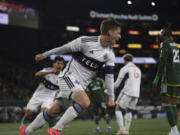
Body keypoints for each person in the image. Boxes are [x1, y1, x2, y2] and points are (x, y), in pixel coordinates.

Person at [22, 18, 121, 135]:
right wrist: (44, 55)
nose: (119, 36)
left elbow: (109, 77)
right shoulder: (85, 41)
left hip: (79, 85)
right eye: (118, 33)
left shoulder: (110, 54)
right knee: (85, 102)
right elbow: (63, 49)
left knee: (53, 112)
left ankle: (27, 131)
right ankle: (56, 130)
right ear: (109, 32)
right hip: (67, 78)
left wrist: (111, 97)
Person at [19, 56, 65, 134]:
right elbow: (37, 74)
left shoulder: (63, 76)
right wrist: (50, 72)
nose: (59, 65)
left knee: (42, 115)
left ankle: (31, 128)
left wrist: (55, 96)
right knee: (29, 113)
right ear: (54, 64)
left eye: (61, 64)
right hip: (38, 95)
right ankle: (23, 124)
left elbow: (60, 88)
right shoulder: (48, 70)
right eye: (58, 63)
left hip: (49, 98)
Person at [153, 27, 180, 135]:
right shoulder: (177, 46)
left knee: (166, 103)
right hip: (177, 78)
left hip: (168, 78)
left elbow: (162, 62)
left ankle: (174, 130)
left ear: (163, 34)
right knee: (173, 104)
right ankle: (174, 130)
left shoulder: (165, 44)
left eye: (160, 35)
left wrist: (157, 77)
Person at [114, 53, 141, 135]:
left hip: (127, 92)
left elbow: (117, 84)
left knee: (118, 108)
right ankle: (126, 130)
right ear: (132, 60)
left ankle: (121, 129)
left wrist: (108, 90)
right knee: (129, 110)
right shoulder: (138, 69)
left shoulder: (124, 69)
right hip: (136, 93)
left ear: (124, 61)